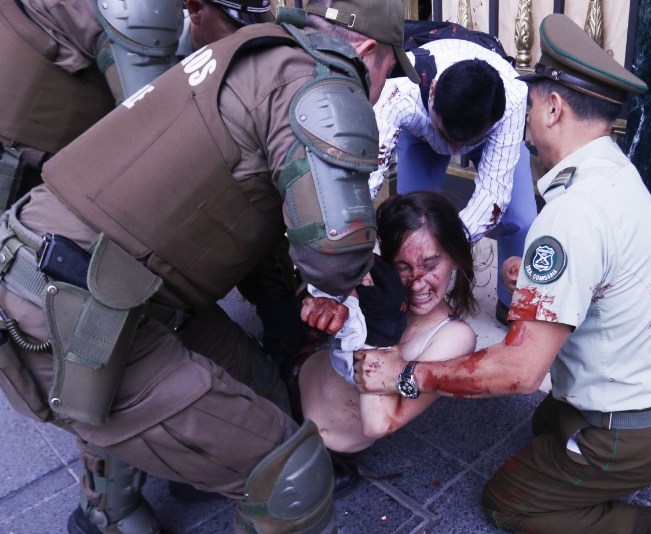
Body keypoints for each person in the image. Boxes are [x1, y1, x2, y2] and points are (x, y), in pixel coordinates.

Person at [0, 2, 420, 534]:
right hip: (69, 305)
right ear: (366, 51)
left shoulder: (248, 49)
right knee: (293, 478)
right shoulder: (321, 82)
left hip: (113, 281)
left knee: (261, 388)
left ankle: (183, 469)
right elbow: (334, 254)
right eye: (387, 70)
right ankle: (109, 512)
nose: (382, 89)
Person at [354, 14, 651, 534]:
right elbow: (601, 275)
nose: (524, 120)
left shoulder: (569, 217)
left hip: (628, 425)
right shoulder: (613, 170)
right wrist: (529, 279)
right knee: (544, 426)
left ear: (554, 107)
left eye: (530, 105)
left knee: (510, 503)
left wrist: (410, 376)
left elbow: (519, 372)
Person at [0, 0, 272, 208]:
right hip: (18, 167)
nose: (236, 44)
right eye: (232, 30)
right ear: (196, 8)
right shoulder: (137, 11)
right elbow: (153, 140)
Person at [368, 37, 538, 325]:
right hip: (421, 130)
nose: (455, 151)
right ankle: (405, 298)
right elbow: (366, 180)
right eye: (449, 138)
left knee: (522, 219)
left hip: (489, 137)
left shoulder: (513, 99)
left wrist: (446, 247)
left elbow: (492, 196)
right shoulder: (397, 90)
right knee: (411, 225)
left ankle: (512, 303)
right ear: (432, 91)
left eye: (464, 143)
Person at [298, 191, 478, 454]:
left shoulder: (454, 338)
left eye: (430, 265)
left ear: (455, 257)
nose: (417, 283)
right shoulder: (375, 283)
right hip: (295, 389)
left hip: (327, 451)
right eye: (403, 267)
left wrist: (378, 330)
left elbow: (378, 424)